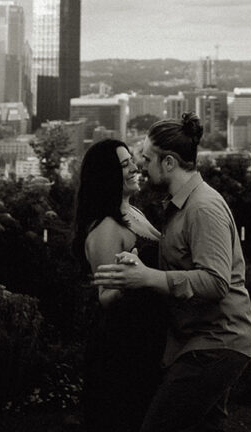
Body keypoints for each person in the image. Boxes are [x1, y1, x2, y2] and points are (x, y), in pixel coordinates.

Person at [93, 113, 251, 432]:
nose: (139, 164)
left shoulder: (202, 208)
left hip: (216, 342)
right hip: (200, 341)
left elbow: (216, 281)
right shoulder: (181, 206)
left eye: (146, 156)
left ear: (168, 163)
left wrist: (147, 277)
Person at [72, 138, 167, 432]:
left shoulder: (132, 212)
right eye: (125, 165)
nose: (135, 168)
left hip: (147, 338)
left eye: (132, 162)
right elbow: (106, 296)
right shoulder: (106, 229)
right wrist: (131, 275)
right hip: (123, 350)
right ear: (107, 176)